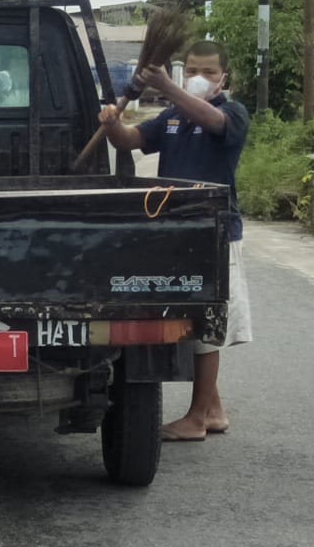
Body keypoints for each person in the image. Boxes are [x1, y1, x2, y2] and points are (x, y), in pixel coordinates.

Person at [98, 39, 253, 442]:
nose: (199, 78)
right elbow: (131, 140)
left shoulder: (230, 113)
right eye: (192, 70)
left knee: (206, 326)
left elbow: (213, 123)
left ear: (224, 78)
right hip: (175, 230)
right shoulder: (172, 118)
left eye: (209, 72)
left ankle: (197, 417)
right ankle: (214, 410)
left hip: (214, 231)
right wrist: (112, 123)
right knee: (185, 316)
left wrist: (168, 86)